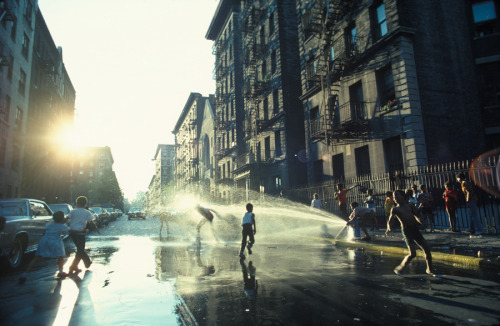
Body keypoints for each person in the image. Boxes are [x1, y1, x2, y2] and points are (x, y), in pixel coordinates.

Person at [386, 190, 433, 276]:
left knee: (426, 249)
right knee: (412, 254)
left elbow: (417, 215)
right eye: (394, 197)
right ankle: (400, 267)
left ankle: (429, 269)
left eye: (397, 196)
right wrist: (389, 227)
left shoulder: (410, 205)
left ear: (403, 197)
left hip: (415, 229)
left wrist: (421, 222)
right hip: (407, 231)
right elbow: (390, 220)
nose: (395, 199)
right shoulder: (395, 209)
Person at [18, 211, 70, 284]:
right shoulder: (63, 226)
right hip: (56, 241)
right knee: (60, 256)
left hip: (44, 240)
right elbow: (71, 231)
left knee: (36, 258)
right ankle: (61, 272)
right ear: (62, 219)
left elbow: (44, 233)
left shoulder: (48, 225)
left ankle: (24, 274)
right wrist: (83, 230)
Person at [67, 196, 100, 274]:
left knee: (80, 249)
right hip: (81, 233)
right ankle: (73, 266)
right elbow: (92, 222)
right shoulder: (87, 212)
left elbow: (66, 219)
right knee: (80, 250)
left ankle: (82, 264)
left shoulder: (72, 211)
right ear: (85, 204)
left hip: (73, 233)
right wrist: (96, 229)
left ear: (76, 203)